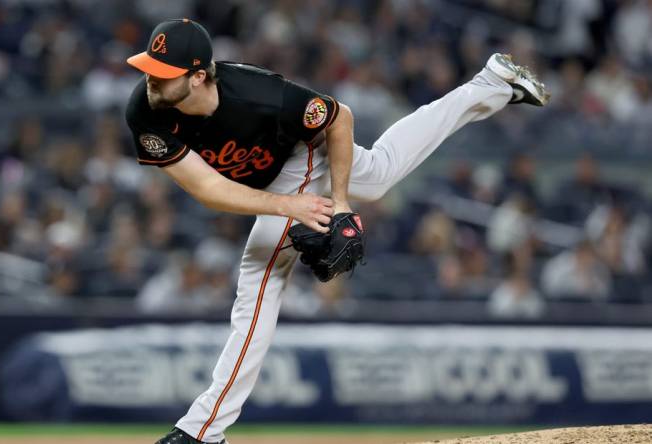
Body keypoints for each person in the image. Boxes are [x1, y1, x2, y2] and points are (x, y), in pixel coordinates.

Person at [124, 19, 549, 444]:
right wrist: (291, 206)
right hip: (277, 186)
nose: (150, 79)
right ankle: (491, 84)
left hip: (305, 154)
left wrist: (340, 204)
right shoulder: (146, 110)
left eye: (163, 73)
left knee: (259, 282)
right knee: (380, 173)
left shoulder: (258, 94)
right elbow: (210, 189)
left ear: (198, 77)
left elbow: (339, 118)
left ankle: (202, 432)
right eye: (149, 67)